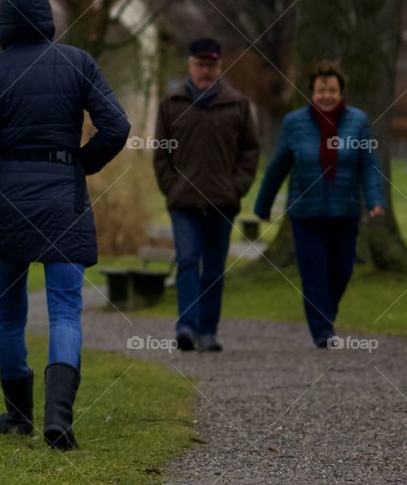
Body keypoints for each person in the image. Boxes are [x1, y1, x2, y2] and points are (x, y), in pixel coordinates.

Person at [0, 0, 130, 450]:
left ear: (3, 20)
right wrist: (78, 164)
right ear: (46, 17)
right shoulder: (79, 62)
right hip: (63, 199)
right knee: (65, 310)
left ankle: (17, 417)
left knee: (9, 313)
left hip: (6, 198)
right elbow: (117, 127)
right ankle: (59, 418)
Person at [253, 61, 386, 348]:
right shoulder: (295, 123)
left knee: (341, 270)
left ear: (341, 92)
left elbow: (368, 165)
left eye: (332, 90)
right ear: (312, 92)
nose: (327, 95)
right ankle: (322, 331)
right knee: (314, 272)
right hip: (306, 213)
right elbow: (278, 166)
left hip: (345, 210)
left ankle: (325, 318)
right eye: (321, 90)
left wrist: (375, 200)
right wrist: (263, 205)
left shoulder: (358, 122)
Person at [153, 38, 260, 353]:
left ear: (220, 66)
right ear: (190, 65)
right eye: (200, 64)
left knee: (213, 268)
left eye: (211, 65)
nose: (205, 70)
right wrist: (170, 186)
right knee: (188, 261)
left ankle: (208, 331)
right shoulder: (171, 103)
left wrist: (236, 186)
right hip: (183, 202)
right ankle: (186, 327)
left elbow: (250, 152)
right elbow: (161, 154)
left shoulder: (237, 105)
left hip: (222, 202)